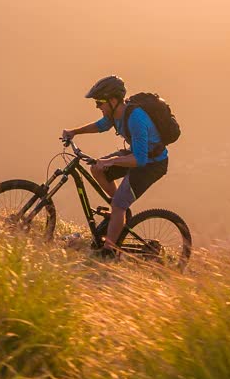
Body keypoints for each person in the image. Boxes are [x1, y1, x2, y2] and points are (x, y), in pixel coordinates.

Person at [60, 75, 169, 256]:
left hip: (152, 164)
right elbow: (101, 126)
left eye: (99, 103)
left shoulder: (135, 119)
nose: (98, 107)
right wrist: (74, 132)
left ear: (112, 100)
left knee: (118, 204)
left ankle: (108, 251)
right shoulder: (115, 113)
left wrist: (110, 161)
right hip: (136, 156)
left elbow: (140, 160)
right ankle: (120, 214)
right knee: (96, 168)